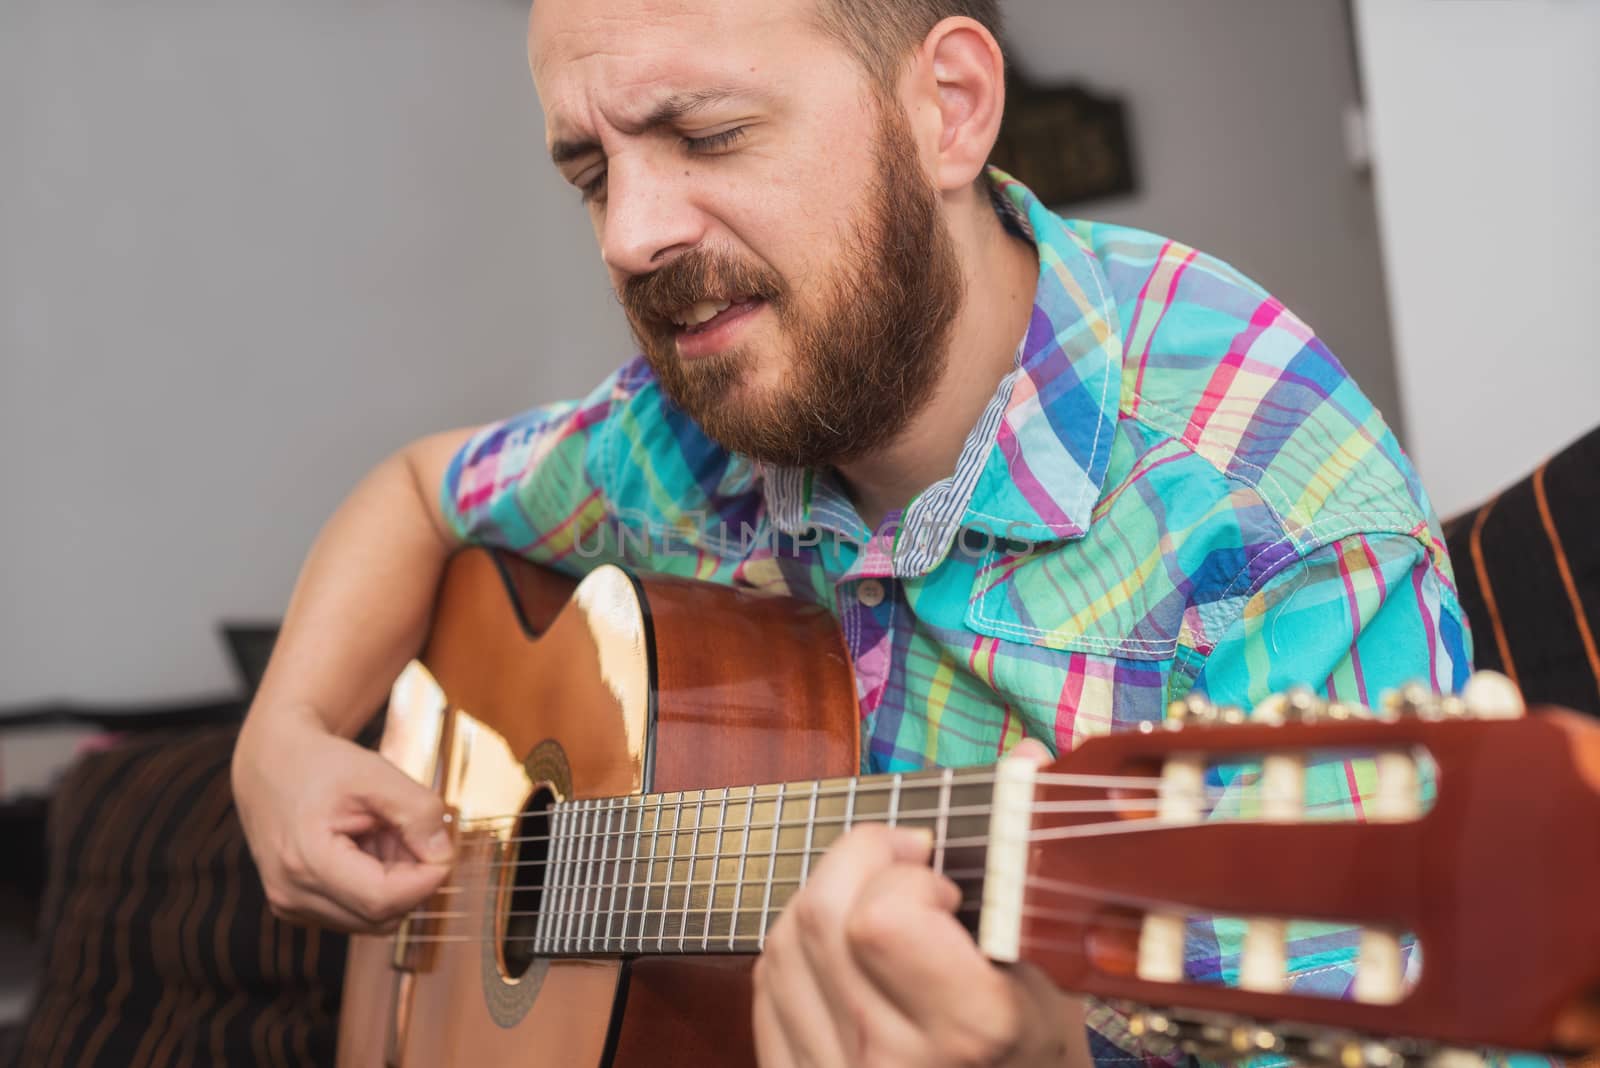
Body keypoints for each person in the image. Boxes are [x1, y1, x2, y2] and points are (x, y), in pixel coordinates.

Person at [231, 0, 1469, 1064]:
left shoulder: (1269, 516)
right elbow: (412, 492)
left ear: (948, 106)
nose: (628, 235)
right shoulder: (675, 436)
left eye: (706, 134)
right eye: (592, 174)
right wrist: (279, 739)